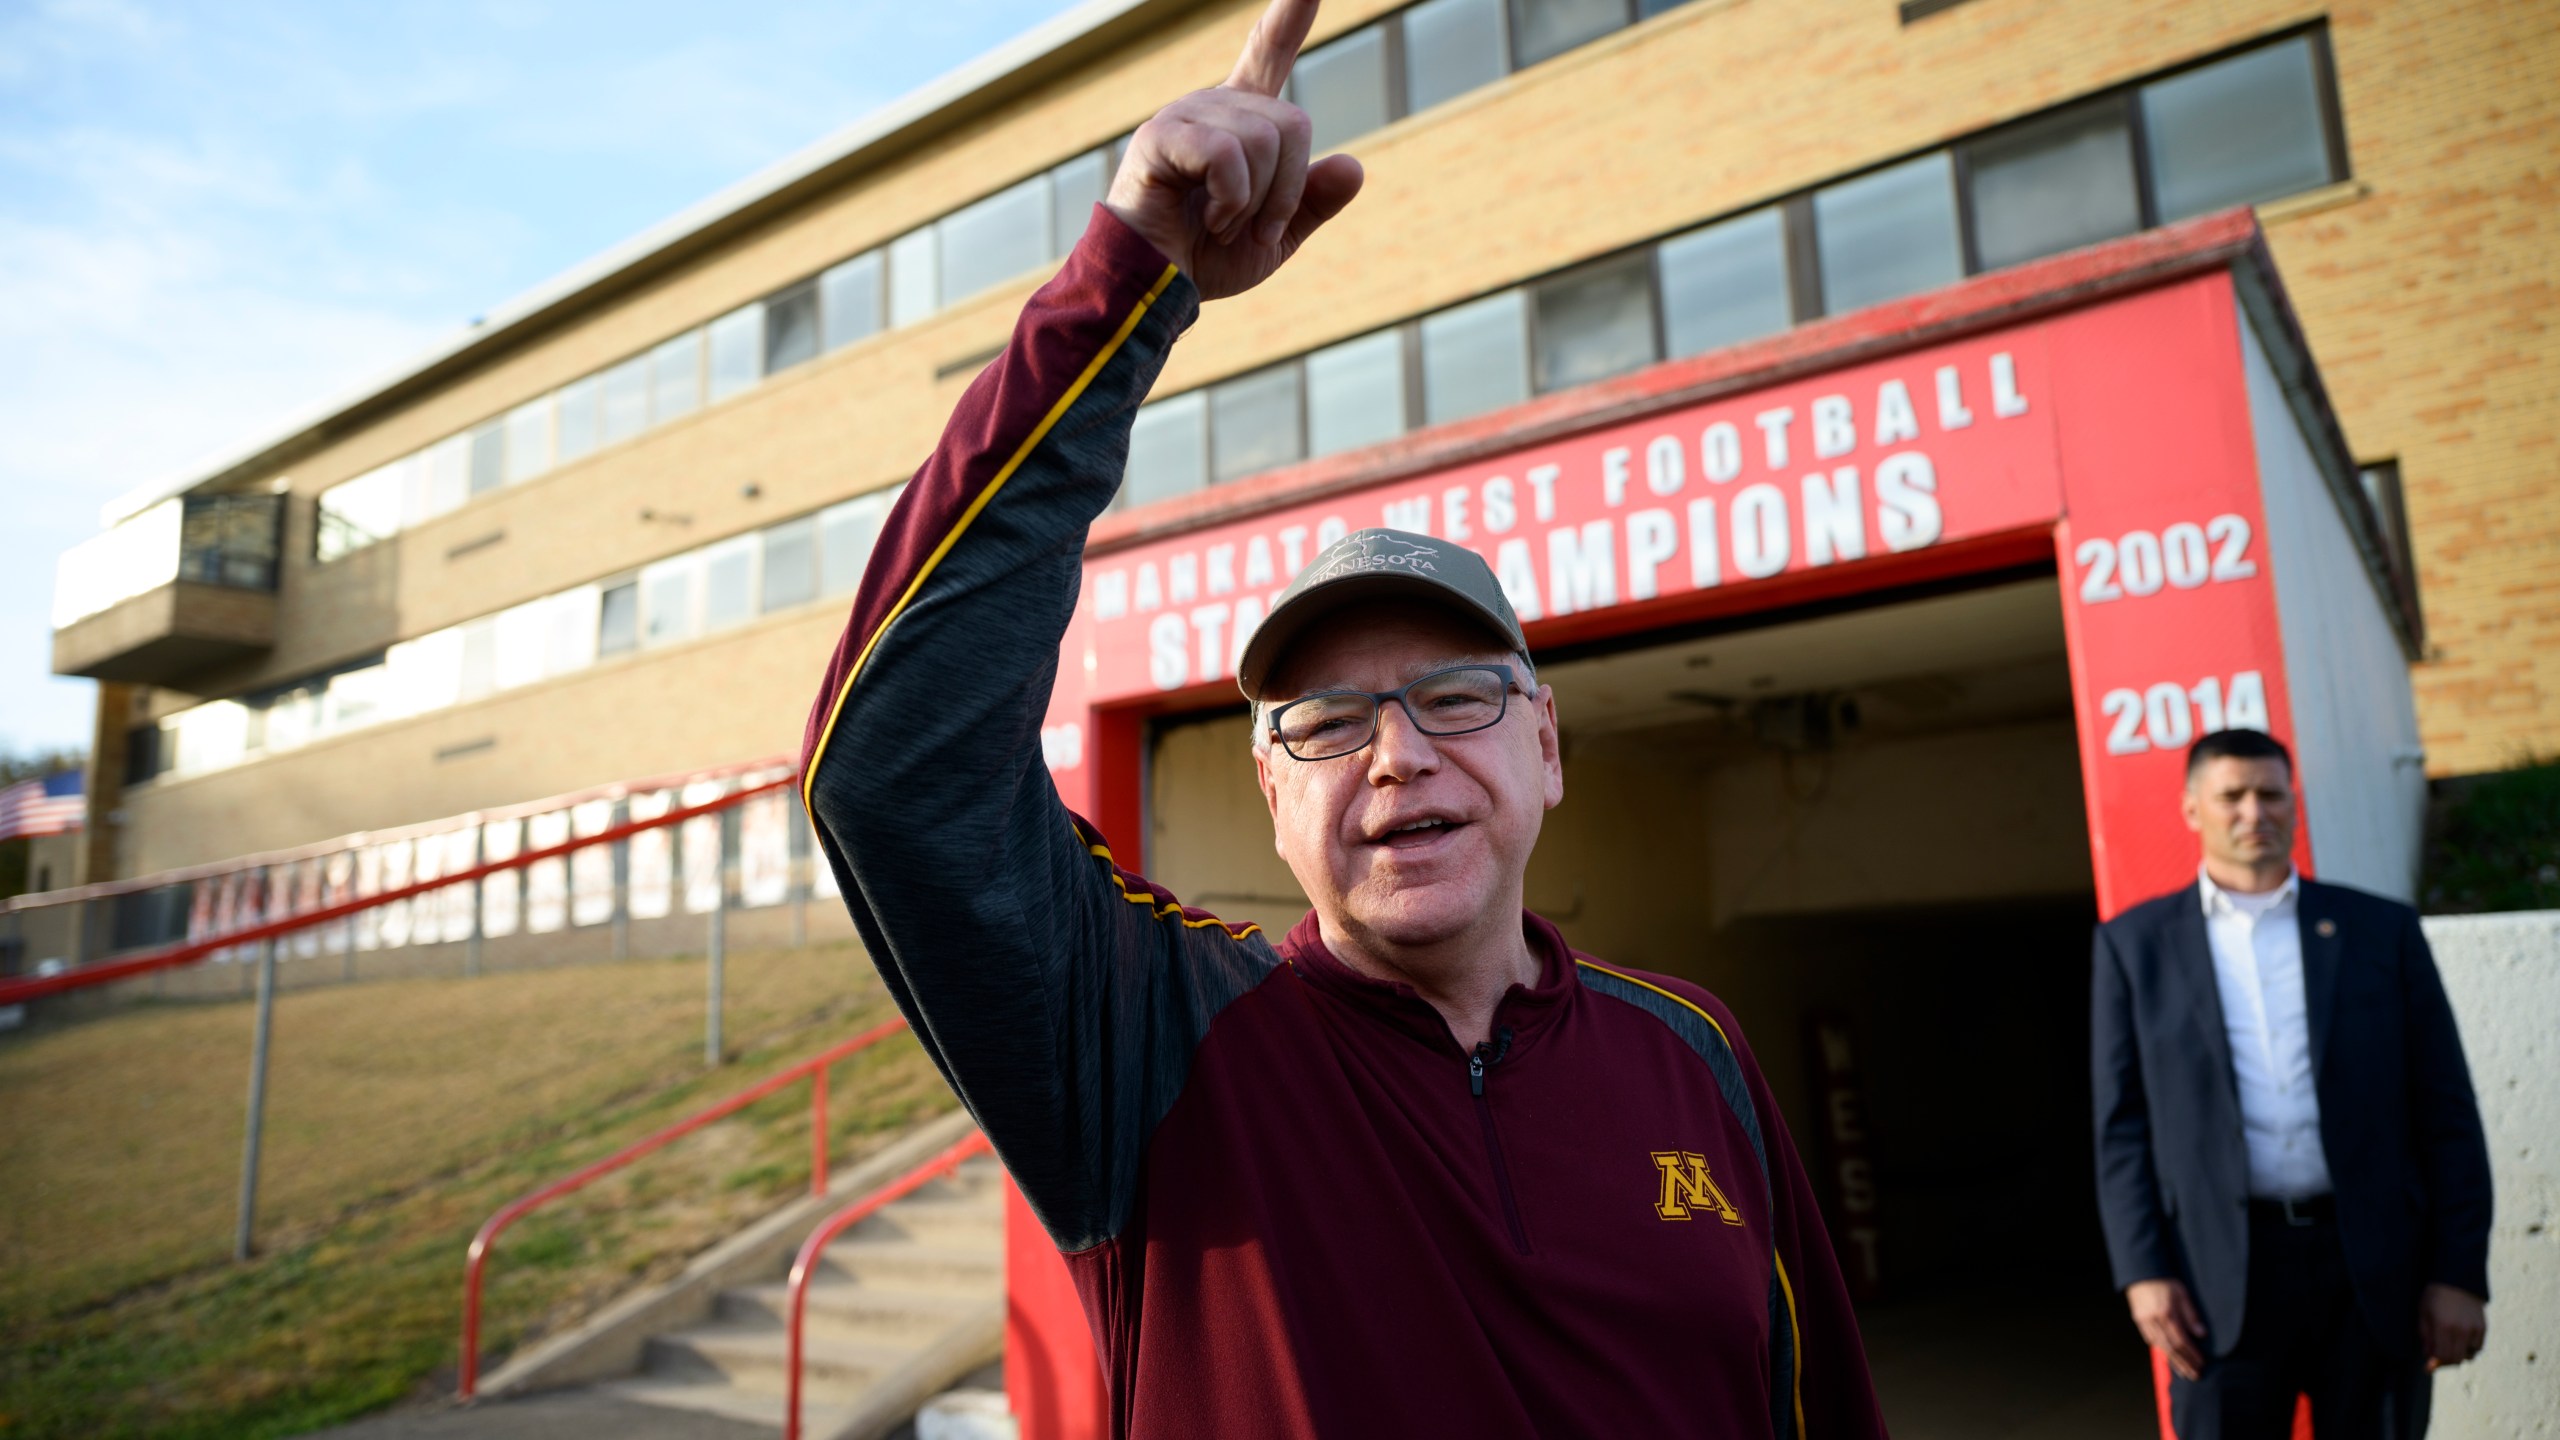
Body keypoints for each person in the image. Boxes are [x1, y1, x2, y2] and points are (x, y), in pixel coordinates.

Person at [799, 1, 1885, 1433]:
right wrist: (1134, 274)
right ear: (1269, 794)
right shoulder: (1154, 1045)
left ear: (1546, 746)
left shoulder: (1697, 1055)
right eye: (1327, 722)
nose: (1398, 754)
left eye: (1455, 697)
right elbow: (895, 770)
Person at [2090, 728, 2493, 1438]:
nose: (2255, 813)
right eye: (2232, 796)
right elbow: (2121, 1131)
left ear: (2294, 804)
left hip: (2372, 1270)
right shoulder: (2133, 946)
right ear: (2192, 810)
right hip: (2216, 1282)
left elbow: (2447, 1112)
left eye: (2271, 794)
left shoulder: (2380, 932)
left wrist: (2458, 1273)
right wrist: (2142, 1273)